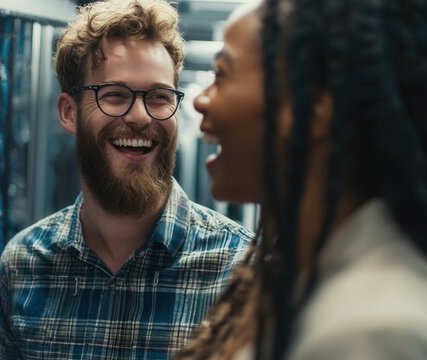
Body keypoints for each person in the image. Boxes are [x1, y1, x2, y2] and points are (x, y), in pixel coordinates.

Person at [0, 0, 253, 358]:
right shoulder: (24, 266)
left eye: (159, 97)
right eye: (114, 95)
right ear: (69, 113)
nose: (140, 116)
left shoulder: (243, 271)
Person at [177, 0, 427, 359]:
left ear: (313, 110)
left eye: (223, 73)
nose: (200, 101)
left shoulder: (373, 328)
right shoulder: (297, 278)